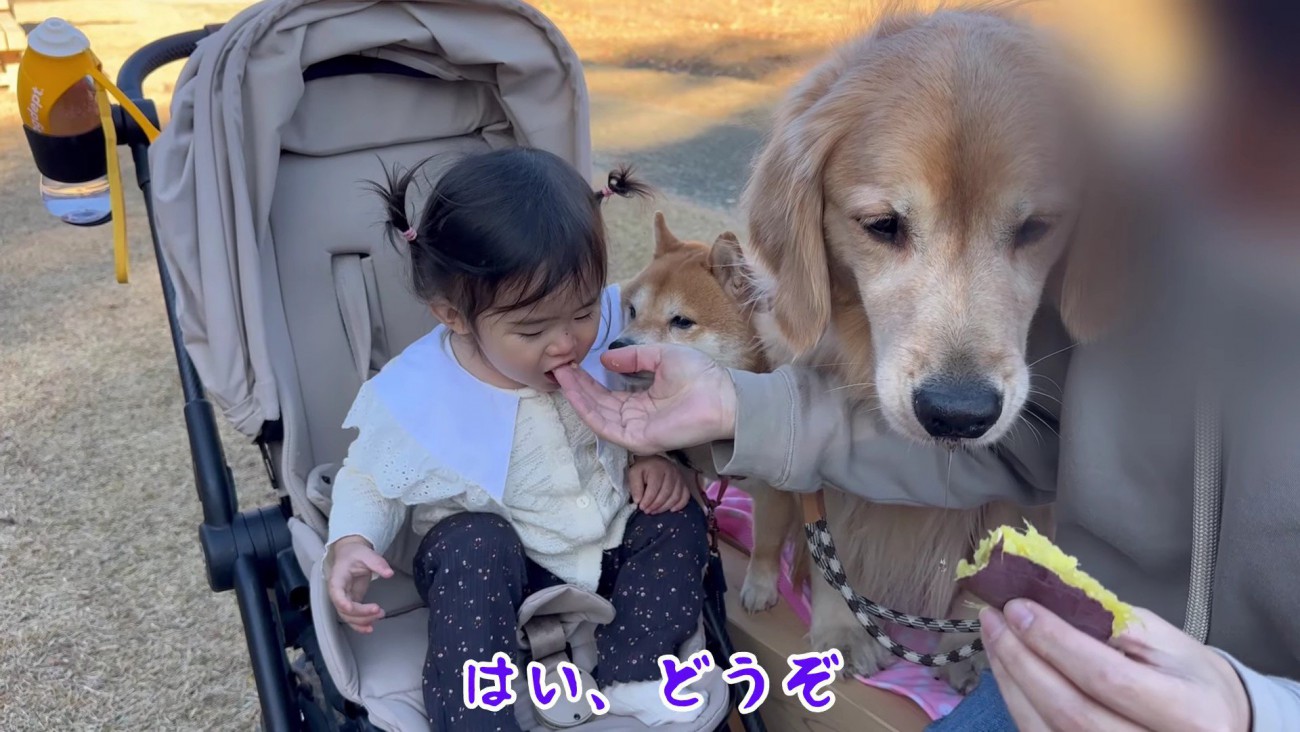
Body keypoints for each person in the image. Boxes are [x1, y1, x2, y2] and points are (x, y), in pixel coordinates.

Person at [554, 2, 1300, 729]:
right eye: (885, 225)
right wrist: (738, 407)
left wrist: (1254, 711)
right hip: (1077, 658)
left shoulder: (1118, 196)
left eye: (1031, 228)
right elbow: (1040, 444)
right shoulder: (1152, 185)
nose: (960, 370)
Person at [324, 148, 710, 731]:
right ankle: (475, 720)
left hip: (603, 543)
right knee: (470, 542)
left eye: (582, 312)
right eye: (532, 330)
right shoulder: (421, 391)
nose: (566, 343)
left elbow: (636, 417)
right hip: (496, 569)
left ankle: (633, 672)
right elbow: (370, 477)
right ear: (454, 316)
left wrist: (651, 460)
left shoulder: (608, 338)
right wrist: (352, 541)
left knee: (676, 517)